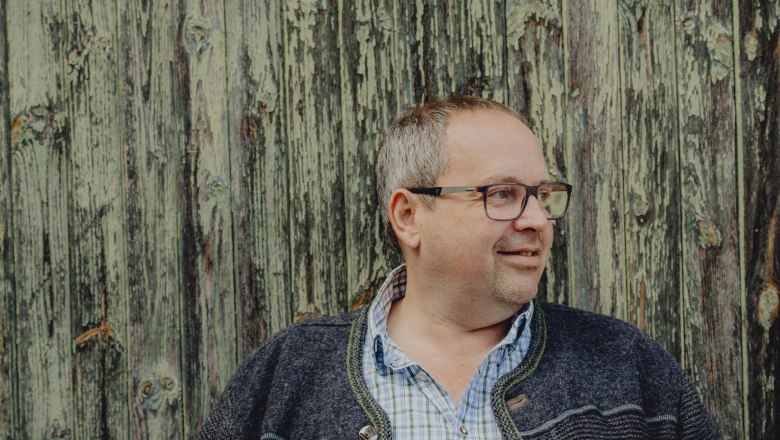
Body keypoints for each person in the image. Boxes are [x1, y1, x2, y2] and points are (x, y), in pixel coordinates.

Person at [199, 96, 719, 439]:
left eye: (542, 195)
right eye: (503, 194)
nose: (537, 219)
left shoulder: (625, 366)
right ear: (409, 216)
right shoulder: (289, 375)